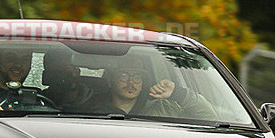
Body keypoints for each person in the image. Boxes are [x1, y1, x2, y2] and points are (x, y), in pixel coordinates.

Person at [86, 56, 218, 119]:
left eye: (137, 76)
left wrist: (178, 93)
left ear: (143, 81)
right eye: (124, 75)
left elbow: (210, 118)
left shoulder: (164, 108)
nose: (131, 82)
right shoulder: (90, 113)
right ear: (110, 81)